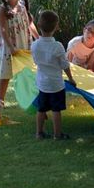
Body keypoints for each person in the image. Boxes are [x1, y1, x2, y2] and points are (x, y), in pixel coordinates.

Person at [31, 10, 76, 140]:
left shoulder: (34, 45)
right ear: (56, 27)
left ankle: (39, 133)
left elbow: (35, 61)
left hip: (42, 84)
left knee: (41, 109)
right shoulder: (57, 46)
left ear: (39, 25)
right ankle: (57, 134)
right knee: (56, 110)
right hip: (56, 84)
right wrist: (71, 78)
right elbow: (65, 65)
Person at [0, 0, 39, 107]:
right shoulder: (3, 9)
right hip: (9, 46)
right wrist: (11, 47)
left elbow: (30, 24)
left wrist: (39, 39)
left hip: (24, 43)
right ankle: (1, 100)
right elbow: (3, 30)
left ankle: (30, 97)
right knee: (6, 73)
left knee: (27, 72)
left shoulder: (22, 6)